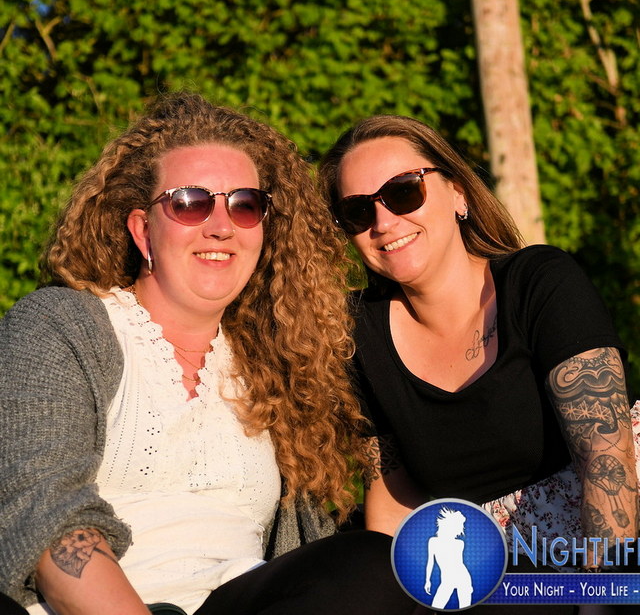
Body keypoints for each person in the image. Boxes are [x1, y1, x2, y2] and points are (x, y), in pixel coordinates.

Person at [0, 94, 417, 615]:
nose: (221, 225)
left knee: (375, 562)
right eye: (190, 202)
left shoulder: (279, 366)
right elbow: (45, 515)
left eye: (245, 205)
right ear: (142, 229)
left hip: (242, 604)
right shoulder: (62, 326)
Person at [318, 115, 639, 610]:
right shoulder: (358, 334)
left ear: (459, 194)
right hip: (487, 579)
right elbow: (393, 501)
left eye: (403, 192)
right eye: (358, 210)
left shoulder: (540, 283)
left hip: (609, 553)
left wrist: (601, 599)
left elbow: (606, 461)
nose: (383, 222)